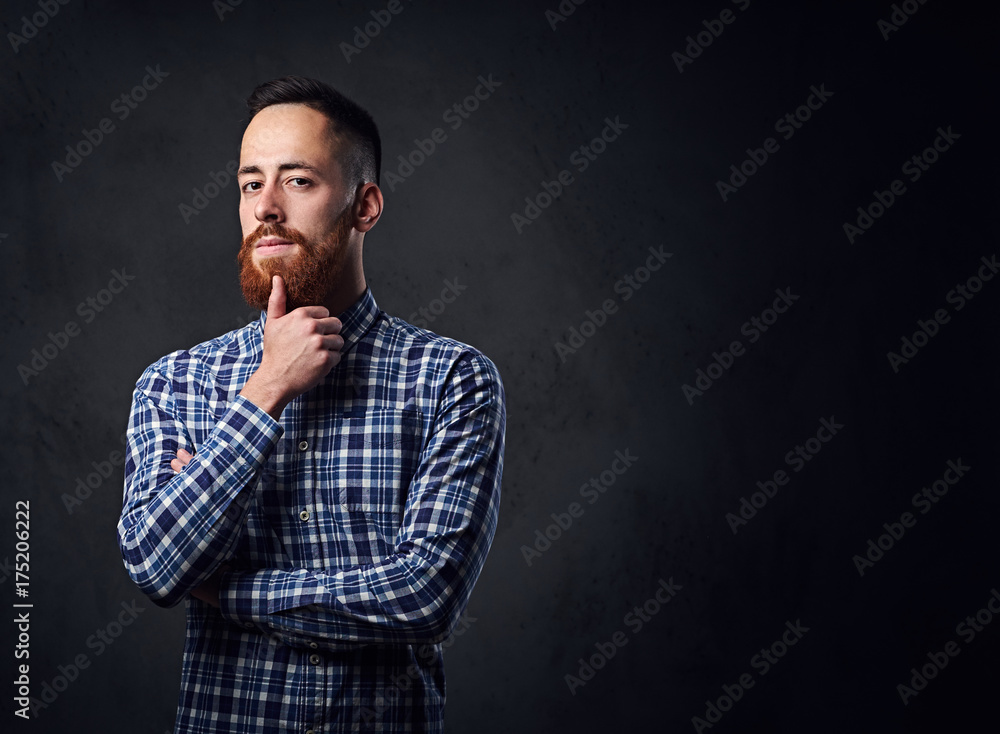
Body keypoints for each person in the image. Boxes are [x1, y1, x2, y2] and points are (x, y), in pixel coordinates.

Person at [117, 76, 506, 733]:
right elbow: (156, 566)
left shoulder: (453, 381)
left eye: (297, 181)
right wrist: (265, 391)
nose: (266, 207)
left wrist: (229, 592)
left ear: (365, 205)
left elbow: (425, 598)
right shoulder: (175, 382)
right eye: (250, 183)